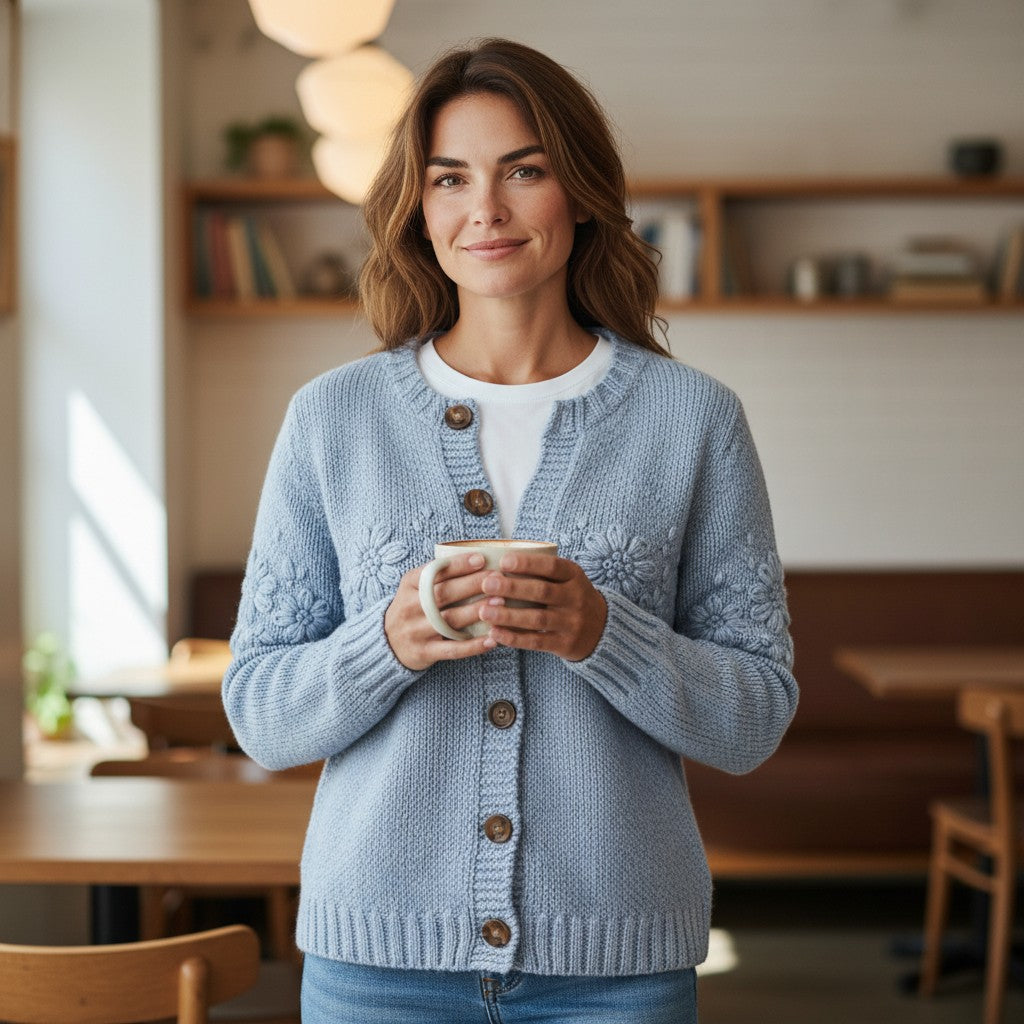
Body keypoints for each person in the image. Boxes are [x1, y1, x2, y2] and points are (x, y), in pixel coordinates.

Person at [223, 37, 798, 1024]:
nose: (483, 210)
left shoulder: (691, 420)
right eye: (449, 179)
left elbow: (754, 717)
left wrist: (601, 634)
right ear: (419, 209)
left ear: (576, 192)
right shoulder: (334, 418)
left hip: (615, 967)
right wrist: (385, 644)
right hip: (377, 966)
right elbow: (261, 716)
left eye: (521, 171)